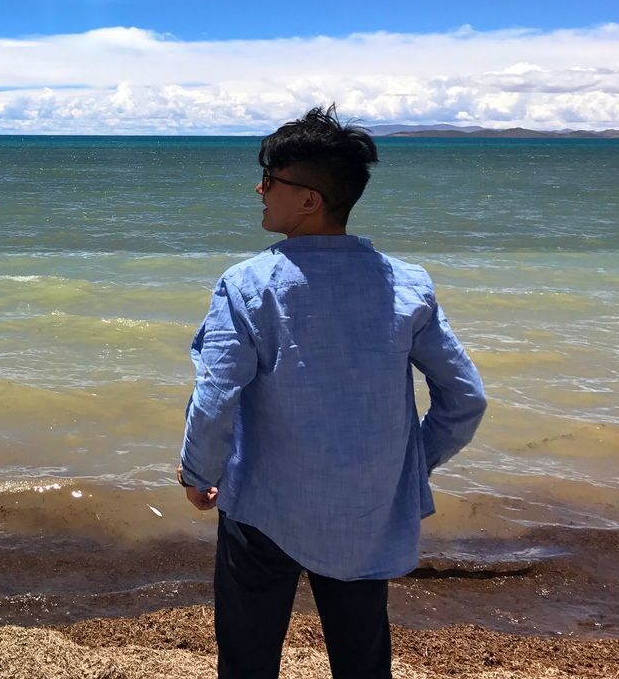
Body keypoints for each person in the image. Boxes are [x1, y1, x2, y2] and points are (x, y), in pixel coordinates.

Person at [177, 104, 487, 679]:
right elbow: (465, 398)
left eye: (270, 180)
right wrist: (410, 464)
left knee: (247, 658)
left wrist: (199, 473)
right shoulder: (406, 285)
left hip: (263, 506)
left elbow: (217, 394)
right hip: (365, 509)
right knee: (362, 655)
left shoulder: (248, 285)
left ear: (309, 200)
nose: (259, 189)